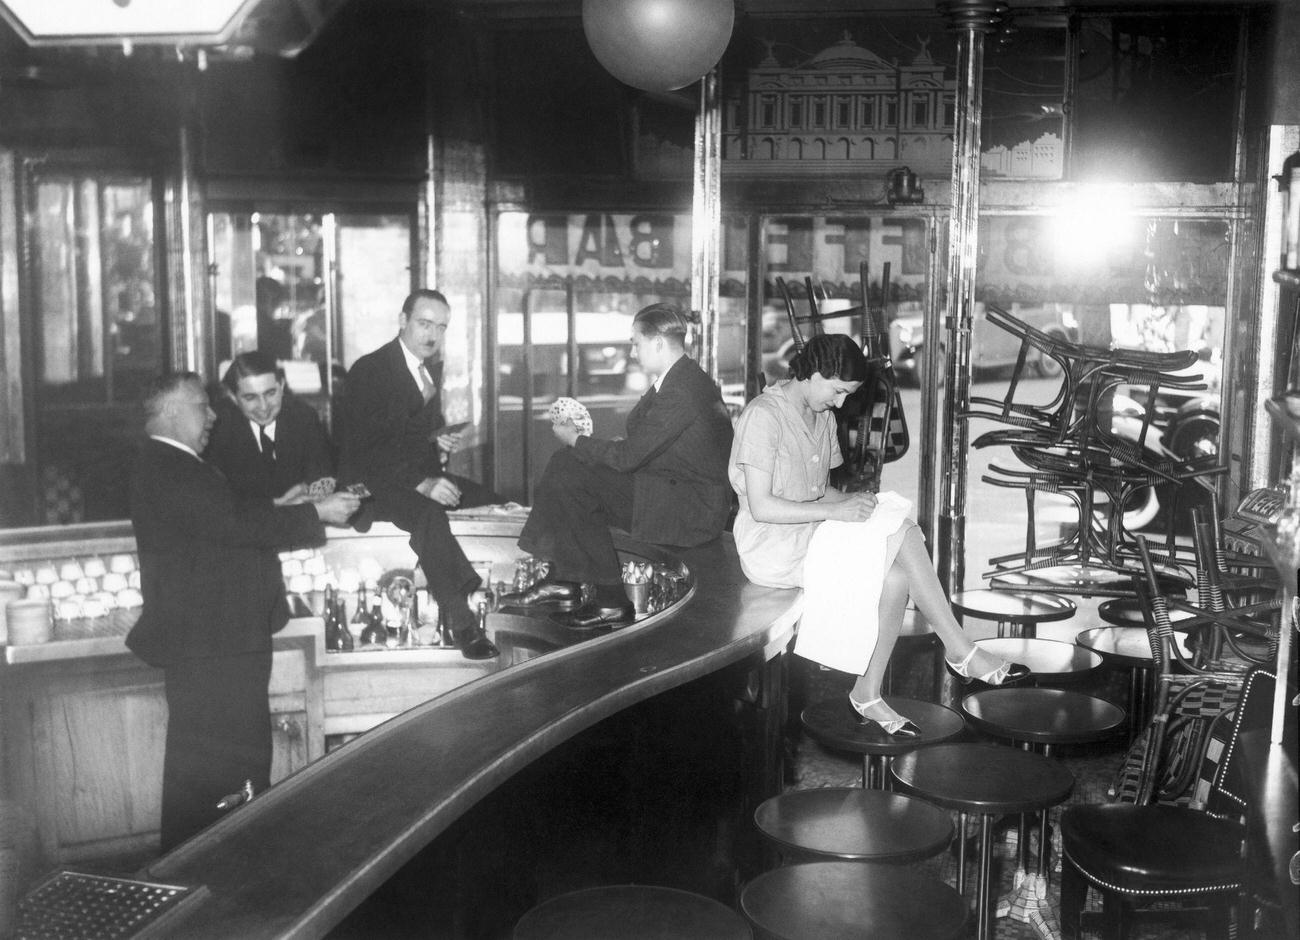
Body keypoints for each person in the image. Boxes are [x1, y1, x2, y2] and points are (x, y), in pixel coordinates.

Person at [728, 334, 1028, 736]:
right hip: (771, 546)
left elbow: (816, 489)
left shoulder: (822, 416)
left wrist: (857, 504)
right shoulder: (764, 415)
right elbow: (763, 506)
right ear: (814, 373)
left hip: (811, 531)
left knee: (897, 569)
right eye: (836, 391)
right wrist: (838, 510)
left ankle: (867, 693)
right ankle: (960, 649)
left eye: (845, 395)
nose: (838, 404)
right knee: (899, 533)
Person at [126, 373, 360, 851]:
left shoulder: (172, 465)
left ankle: (203, 869)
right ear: (170, 411)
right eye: (200, 405)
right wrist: (316, 512)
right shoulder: (172, 466)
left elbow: (221, 519)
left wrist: (283, 502)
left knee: (213, 771)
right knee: (227, 773)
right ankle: (222, 875)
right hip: (215, 646)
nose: (212, 415)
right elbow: (232, 524)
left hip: (215, 643)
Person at [501, 303, 735, 630]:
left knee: (573, 470)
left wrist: (576, 440)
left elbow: (628, 457)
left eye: (636, 342)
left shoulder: (681, 389)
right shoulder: (679, 379)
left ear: (657, 343)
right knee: (568, 463)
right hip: (673, 492)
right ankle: (563, 579)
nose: (633, 350)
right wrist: (586, 447)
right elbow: (644, 442)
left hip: (689, 512)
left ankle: (608, 599)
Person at [337, 289, 499, 659]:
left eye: (441, 327)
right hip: (371, 485)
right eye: (425, 324)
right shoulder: (371, 370)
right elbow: (368, 450)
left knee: (494, 500)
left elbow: (408, 437)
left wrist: (437, 444)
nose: (433, 335)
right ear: (402, 321)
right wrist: (424, 483)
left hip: (409, 477)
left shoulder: (424, 370)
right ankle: (463, 622)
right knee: (428, 515)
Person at [204, 351, 335, 500]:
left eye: (270, 393)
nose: (264, 406)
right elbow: (215, 500)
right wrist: (277, 506)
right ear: (233, 398)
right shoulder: (216, 427)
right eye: (250, 397)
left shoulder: (303, 417)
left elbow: (322, 476)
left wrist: (312, 493)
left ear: (282, 386)